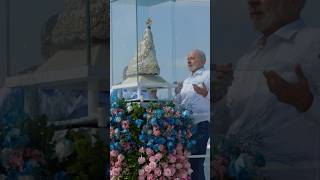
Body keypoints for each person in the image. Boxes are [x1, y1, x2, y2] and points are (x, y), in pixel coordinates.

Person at [214, 0, 320, 179]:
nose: (252, 2)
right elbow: (227, 124)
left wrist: (306, 102)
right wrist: (213, 97)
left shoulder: (314, 43)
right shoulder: (247, 59)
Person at [175, 49, 210, 180]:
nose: (189, 61)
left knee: (196, 162)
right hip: (186, 126)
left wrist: (205, 93)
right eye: (188, 59)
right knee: (187, 164)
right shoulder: (187, 80)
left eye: (192, 58)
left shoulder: (207, 75)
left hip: (200, 123)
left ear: (203, 60)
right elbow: (181, 102)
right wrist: (177, 93)